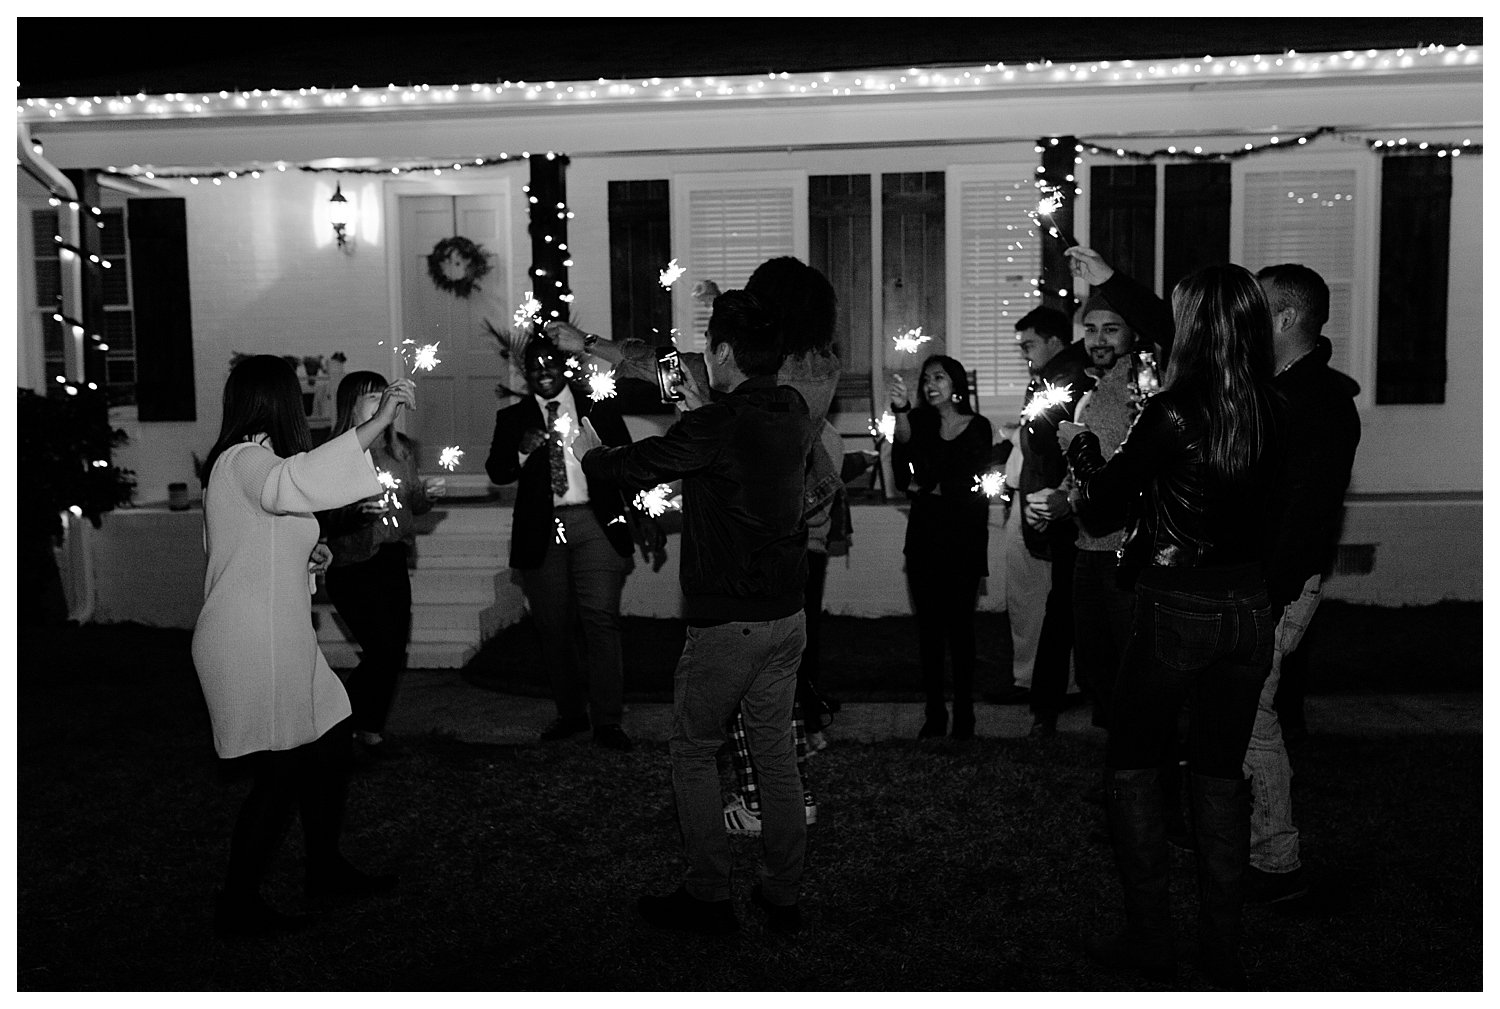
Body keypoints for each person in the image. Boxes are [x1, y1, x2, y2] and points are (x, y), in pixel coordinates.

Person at [550, 257, 841, 832]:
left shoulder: (776, 385)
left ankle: (744, 828)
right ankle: (783, 809)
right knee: (773, 688)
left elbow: (674, 405)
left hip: (740, 557)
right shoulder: (810, 369)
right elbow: (705, 390)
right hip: (788, 546)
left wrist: (588, 359)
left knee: (716, 711)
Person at [1059, 264, 1283, 987]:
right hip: (1250, 610)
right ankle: (1220, 951)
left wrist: (1077, 444)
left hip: (1177, 606)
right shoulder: (1274, 406)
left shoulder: (1174, 409)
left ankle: (1153, 937)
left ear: (1194, 326)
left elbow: (1098, 501)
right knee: (1218, 772)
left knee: (1133, 763)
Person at [574, 289, 816, 936]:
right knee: (773, 754)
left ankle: (709, 894)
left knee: (693, 748)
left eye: (709, 348)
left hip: (728, 622)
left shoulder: (718, 424)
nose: (702, 358)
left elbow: (641, 466)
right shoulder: (788, 406)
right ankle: (783, 893)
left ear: (725, 353)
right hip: (786, 617)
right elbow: (713, 415)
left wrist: (590, 450)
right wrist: (625, 358)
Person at [192, 355, 413, 937]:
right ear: (276, 400)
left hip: (278, 630)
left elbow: (253, 534)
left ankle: (325, 868)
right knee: (281, 772)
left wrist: (307, 555)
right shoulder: (245, 459)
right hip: (253, 637)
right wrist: (374, 422)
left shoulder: (242, 465)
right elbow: (292, 484)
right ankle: (237, 903)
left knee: (332, 740)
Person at [1243, 263, 1362, 904]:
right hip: (1265, 581)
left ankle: (1275, 857)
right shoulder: (1285, 388)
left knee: (1254, 714)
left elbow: (1300, 518)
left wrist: (1265, 593)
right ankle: (1241, 835)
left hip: (1278, 587)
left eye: (1255, 312)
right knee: (1238, 710)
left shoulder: (1315, 402)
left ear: (1287, 319)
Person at [484, 335, 643, 752]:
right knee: (553, 627)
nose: (543, 372)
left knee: (601, 620)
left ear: (563, 364)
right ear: (525, 373)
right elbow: (498, 473)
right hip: (543, 530)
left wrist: (641, 516)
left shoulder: (596, 405)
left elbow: (625, 460)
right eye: (533, 367)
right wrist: (521, 452)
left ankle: (608, 721)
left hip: (595, 521)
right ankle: (571, 714)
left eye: (549, 363)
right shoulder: (513, 418)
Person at [318, 371, 445, 761]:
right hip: (352, 563)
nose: (381, 403)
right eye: (372, 397)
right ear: (350, 406)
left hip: (392, 559)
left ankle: (367, 728)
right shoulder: (337, 450)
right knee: (381, 648)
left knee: (392, 651)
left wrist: (425, 497)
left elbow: (412, 506)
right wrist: (356, 513)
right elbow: (322, 512)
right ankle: (331, 726)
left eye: (384, 396)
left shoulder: (402, 448)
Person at [889, 355, 994, 740]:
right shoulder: (917, 422)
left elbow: (970, 482)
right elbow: (904, 471)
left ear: (956, 383)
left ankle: (965, 712)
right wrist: (900, 411)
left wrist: (934, 485)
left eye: (939, 377)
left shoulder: (978, 427)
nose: (931, 384)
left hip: (964, 541)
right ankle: (934, 712)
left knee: (962, 629)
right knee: (929, 631)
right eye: (926, 379)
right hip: (925, 541)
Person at [1014, 306, 1094, 737]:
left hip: (1074, 506)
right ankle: (1050, 702)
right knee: (1064, 605)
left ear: (1055, 342)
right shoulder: (1051, 378)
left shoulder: (1069, 379)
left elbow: (1050, 441)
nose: (1026, 353)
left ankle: (1048, 706)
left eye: (1029, 345)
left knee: (1067, 607)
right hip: (1059, 503)